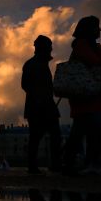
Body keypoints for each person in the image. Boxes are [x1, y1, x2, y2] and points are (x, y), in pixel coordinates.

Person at [62, 16, 101, 175]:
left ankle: (67, 164)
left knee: (80, 134)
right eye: (97, 27)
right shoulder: (83, 45)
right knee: (100, 132)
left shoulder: (85, 45)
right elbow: (96, 62)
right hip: (88, 99)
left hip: (88, 98)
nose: (100, 30)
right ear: (89, 29)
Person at [22, 36, 62, 174]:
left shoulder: (35, 63)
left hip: (40, 106)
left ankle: (36, 166)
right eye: (49, 46)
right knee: (48, 136)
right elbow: (26, 85)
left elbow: (26, 85)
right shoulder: (34, 64)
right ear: (43, 48)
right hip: (40, 107)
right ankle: (48, 165)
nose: (51, 49)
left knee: (39, 137)